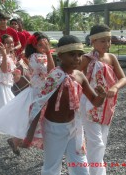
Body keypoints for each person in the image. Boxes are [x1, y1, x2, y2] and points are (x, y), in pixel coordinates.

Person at [18, 35, 107, 175]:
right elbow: (39, 104)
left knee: (81, 166)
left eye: (79, 55)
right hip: (54, 129)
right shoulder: (55, 76)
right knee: (52, 167)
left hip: (74, 127)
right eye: (72, 55)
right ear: (60, 55)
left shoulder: (79, 76)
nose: (77, 58)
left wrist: (102, 96)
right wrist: (29, 134)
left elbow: (95, 101)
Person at [0, 32, 55, 155]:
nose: (44, 46)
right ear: (35, 46)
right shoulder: (35, 57)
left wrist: (47, 53)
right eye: (41, 44)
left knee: (34, 119)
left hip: (44, 91)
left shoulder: (44, 55)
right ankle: (20, 141)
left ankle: (17, 140)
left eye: (46, 44)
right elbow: (51, 71)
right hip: (37, 92)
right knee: (30, 119)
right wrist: (48, 53)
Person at [78, 25, 126, 175]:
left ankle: (95, 170)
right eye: (103, 41)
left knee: (102, 142)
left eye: (109, 40)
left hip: (107, 105)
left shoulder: (111, 58)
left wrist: (114, 87)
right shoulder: (86, 59)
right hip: (90, 103)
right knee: (97, 143)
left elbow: (123, 78)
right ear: (93, 41)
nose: (107, 44)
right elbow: (73, 76)